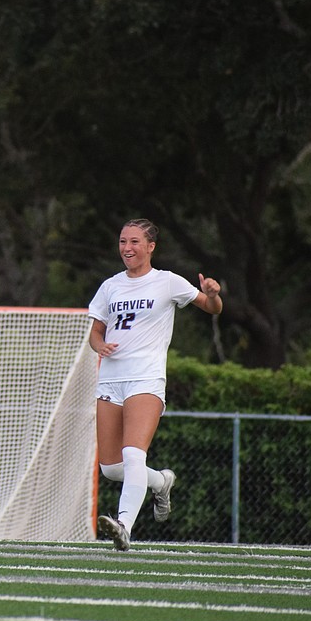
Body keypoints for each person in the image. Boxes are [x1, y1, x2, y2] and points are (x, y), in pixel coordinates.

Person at [87, 218, 222, 551]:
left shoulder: (167, 282)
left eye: (135, 242)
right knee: (110, 468)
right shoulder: (110, 286)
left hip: (146, 379)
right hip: (111, 379)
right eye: (122, 242)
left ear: (151, 247)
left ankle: (123, 526)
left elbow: (212, 309)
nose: (127, 248)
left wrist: (213, 295)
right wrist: (99, 345)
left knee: (134, 455)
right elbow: (95, 332)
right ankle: (162, 480)